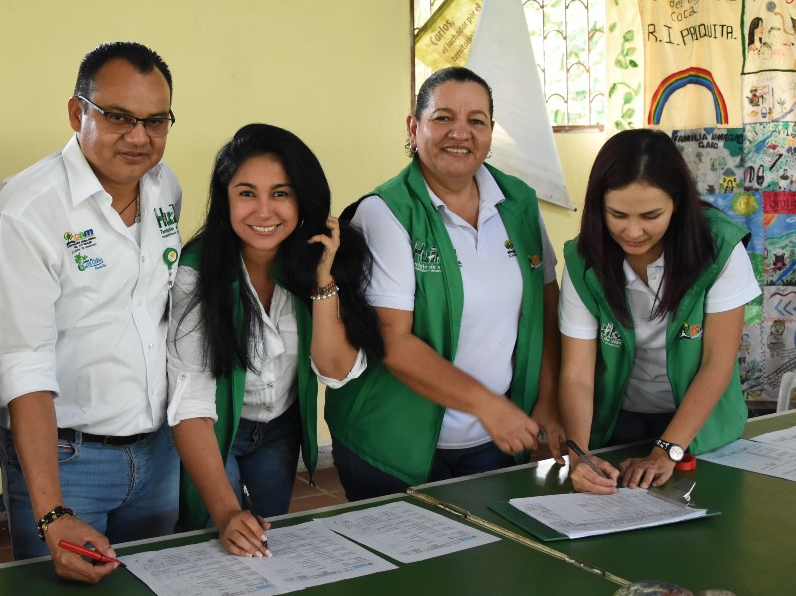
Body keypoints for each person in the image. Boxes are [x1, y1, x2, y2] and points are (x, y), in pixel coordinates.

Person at [0, 41, 181, 583]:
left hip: (158, 452)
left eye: (155, 121)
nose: (138, 137)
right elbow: (23, 364)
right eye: (118, 117)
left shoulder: (165, 187)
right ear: (77, 113)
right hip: (68, 462)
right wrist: (52, 512)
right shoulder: (25, 212)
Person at [328, 66, 565, 500]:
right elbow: (393, 341)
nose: (460, 133)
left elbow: (547, 309)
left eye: (476, 120)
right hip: (393, 442)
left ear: (490, 132)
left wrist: (547, 401)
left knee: (492, 542)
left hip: (490, 439)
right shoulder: (385, 212)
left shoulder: (518, 202)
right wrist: (489, 406)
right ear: (413, 127)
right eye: (443, 118)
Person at [167, 124, 382, 557]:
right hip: (215, 428)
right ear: (225, 198)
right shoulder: (195, 273)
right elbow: (190, 405)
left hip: (280, 431)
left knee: (270, 544)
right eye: (247, 193)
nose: (264, 211)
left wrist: (323, 282)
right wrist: (227, 514)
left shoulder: (316, 261)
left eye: (280, 193)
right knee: (222, 538)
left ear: (302, 199)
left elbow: (335, 371)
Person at [559, 128, 758, 494]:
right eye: (617, 214)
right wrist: (580, 455)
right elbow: (577, 375)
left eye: (651, 215)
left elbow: (717, 362)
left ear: (677, 202)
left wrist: (667, 450)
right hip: (617, 420)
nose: (633, 231)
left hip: (699, 422)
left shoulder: (719, 247)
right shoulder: (583, 259)